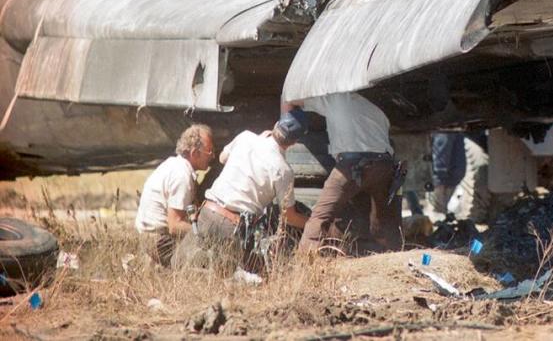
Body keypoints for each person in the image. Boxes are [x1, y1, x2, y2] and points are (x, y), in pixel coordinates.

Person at [185, 109, 310, 272]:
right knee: (220, 277)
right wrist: (313, 224)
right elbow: (289, 217)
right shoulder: (283, 170)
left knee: (182, 267)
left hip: (208, 212)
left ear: (275, 125)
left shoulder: (245, 137)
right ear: (294, 143)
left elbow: (223, 158)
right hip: (232, 227)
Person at [298, 92, 402, 253]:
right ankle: (394, 260)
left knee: (319, 218)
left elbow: (293, 99)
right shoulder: (377, 108)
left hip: (351, 166)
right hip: (383, 166)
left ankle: (305, 266)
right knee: (385, 220)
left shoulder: (335, 99)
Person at [134, 124, 215, 267]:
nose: (213, 156)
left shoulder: (174, 164)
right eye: (209, 152)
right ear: (195, 153)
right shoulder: (181, 176)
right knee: (210, 260)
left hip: (150, 236)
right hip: (159, 240)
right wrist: (204, 234)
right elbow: (175, 226)